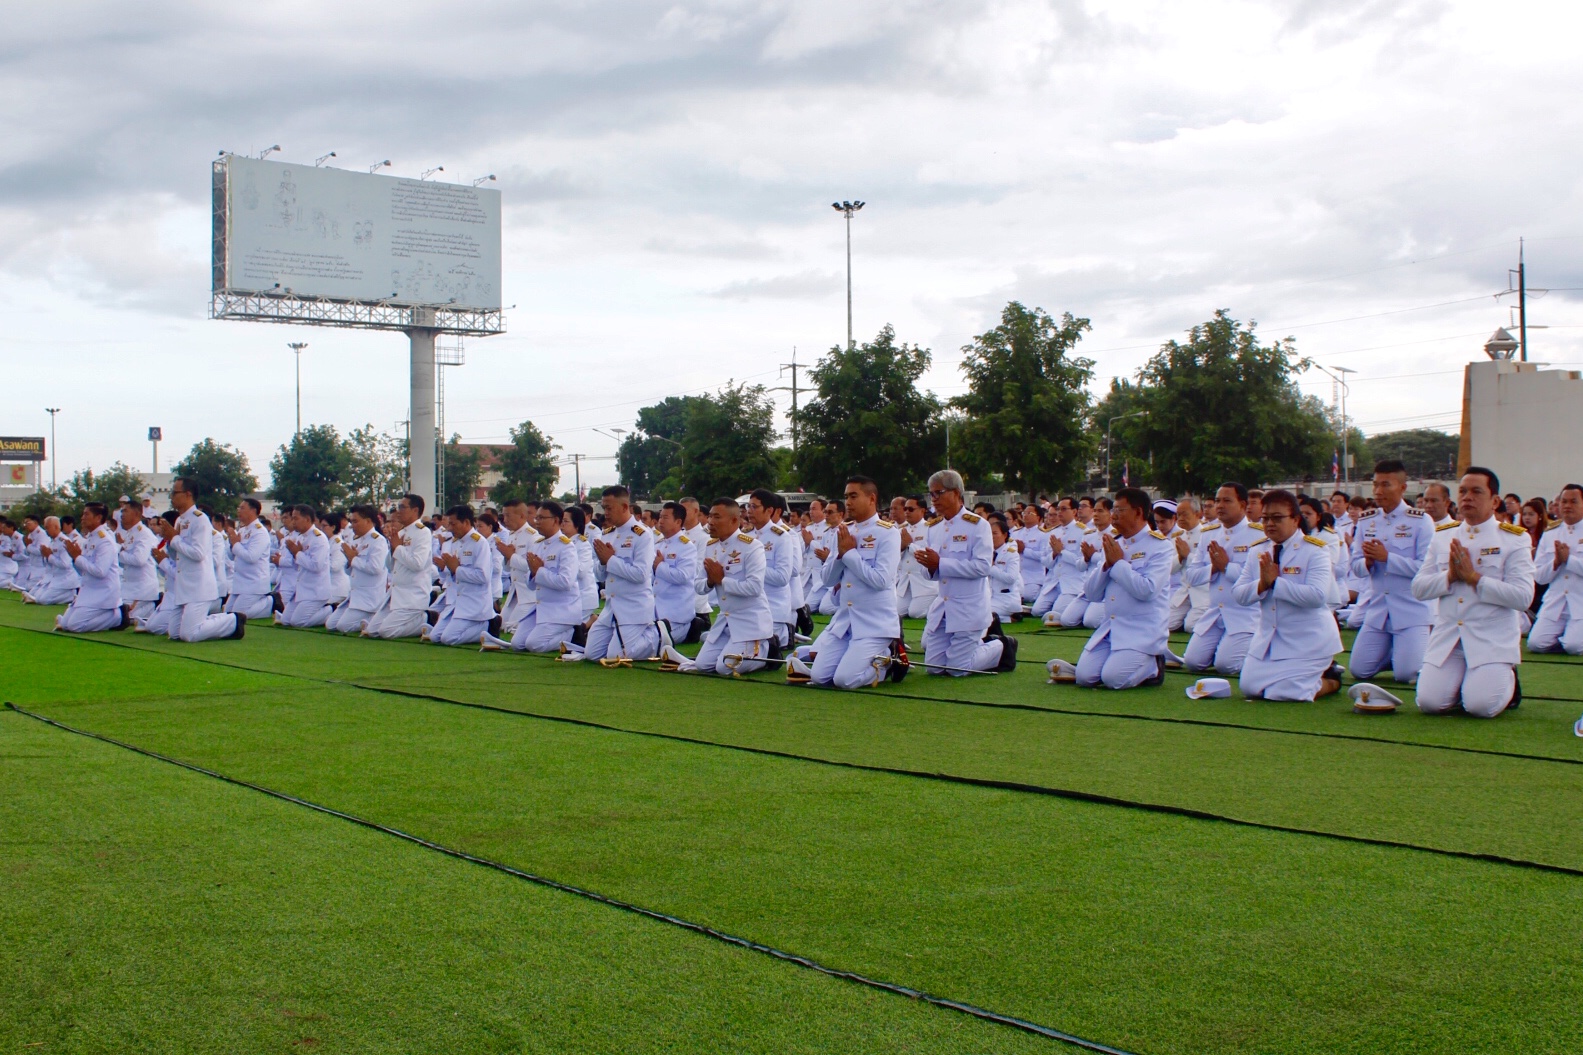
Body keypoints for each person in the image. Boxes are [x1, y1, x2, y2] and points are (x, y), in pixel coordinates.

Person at [1410, 468, 1534, 718]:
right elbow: (1419, 588)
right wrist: (1450, 577)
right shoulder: (1443, 536)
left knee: (1481, 707)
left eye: (1476, 492)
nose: (1467, 497)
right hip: (1450, 638)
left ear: (1494, 501)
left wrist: (1474, 578)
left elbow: (1522, 597)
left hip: (1490, 638)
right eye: (1463, 491)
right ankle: (1465, 684)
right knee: (1429, 703)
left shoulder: (1513, 539)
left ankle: (1508, 681)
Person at [791, 476, 903, 688]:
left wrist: (850, 554)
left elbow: (880, 580)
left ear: (871, 499)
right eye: (846, 497)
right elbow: (827, 579)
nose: (848, 502)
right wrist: (840, 556)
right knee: (819, 677)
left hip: (874, 623)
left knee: (844, 680)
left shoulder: (888, 533)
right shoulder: (844, 531)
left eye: (853, 496)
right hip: (845, 621)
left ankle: (887, 661)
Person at [1233, 490, 1343, 701]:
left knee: (1285, 693)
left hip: (1307, 640)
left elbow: (1317, 596)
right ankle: (1307, 678)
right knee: (1250, 688)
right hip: (1270, 638)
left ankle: (1331, 680)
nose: (1269, 524)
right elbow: (1239, 594)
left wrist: (1275, 583)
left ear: (1295, 519)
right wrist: (1262, 585)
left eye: (1277, 518)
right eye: (1265, 518)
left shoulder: (1315, 550)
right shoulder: (1258, 550)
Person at [1072, 487, 1173, 689]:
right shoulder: (1113, 543)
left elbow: (1147, 590)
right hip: (1111, 627)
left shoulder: (1160, 546)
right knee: (1084, 677)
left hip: (1141, 631)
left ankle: (1153, 665)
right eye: (1114, 510)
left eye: (1120, 510)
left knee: (1113, 679)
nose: (1114, 515)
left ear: (1138, 512)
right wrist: (1106, 566)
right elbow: (1092, 594)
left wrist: (1118, 564)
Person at [916, 469, 1014, 675]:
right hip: (943, 608)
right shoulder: (933, 527)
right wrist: (930, 567)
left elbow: (982, 567)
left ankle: (1002, 645)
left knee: (956, 669)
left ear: (956, 493)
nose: (933, 499)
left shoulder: (977, 525)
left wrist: (940, 563)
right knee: (934, 669)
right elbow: (930, 572)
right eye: (931, 494)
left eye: (938, 493)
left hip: (968, 608)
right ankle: (980, 644)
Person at [1348, 460, 1435, 684]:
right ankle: (1396, 655)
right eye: (1375, 485)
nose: (1378, 491)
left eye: (1385, 485)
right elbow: (1355, 565)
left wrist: (1388, 558)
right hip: (1378, 609)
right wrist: (1368, 562)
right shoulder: (1367, 520)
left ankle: (1408, 655)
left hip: (1410, 610)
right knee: (1359, 670)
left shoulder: (1420, 521)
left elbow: (1425, 568)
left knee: (1407, 674)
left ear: (1402, 488)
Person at [670, 497, 772, 675]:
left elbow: (754, 587)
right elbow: (698, 586)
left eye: (716, 517)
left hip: (749, 622)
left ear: (734, 520)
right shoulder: (711, 546)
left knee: (725, 668)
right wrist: (710, 581)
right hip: (725, 621)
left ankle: (766, 651)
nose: (710, 522)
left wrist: (722, 580)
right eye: (710, 516)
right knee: (702, 665)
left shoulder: (751, 546)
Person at [565, 485, 660, 663]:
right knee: (592, 654)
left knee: (616, 656)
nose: (605, 513)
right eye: (604, 508)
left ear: (624, 507)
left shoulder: (642, 535)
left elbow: (640, 574)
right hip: (611, 607)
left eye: (609, 508)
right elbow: (600, 576)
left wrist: (610, 560)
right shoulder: (608, 534)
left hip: (633, 607)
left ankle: (659, 636)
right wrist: (603, 563)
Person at [1180, 483, 1264, 675]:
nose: (1220, 506)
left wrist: (1226, 567)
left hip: (1244, 614)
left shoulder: (1257, 535)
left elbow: (1258, 579)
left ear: (1242, 505)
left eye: (1227, 501)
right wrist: (1214, 568)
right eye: (1217, 501)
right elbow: (1192, 576)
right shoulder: (1209, 533)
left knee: (1226, 666)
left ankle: (1259, 650)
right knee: (1193, 662)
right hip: (1215, 612)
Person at [149, 478, 244, 641]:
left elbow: (199, 553)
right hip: (184, 586)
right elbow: (179, 553)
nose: (171, 496)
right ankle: (215, 620)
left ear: (188, 494)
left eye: (175, 493)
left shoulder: (200, 519)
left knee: (189, 635)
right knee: (175, 634)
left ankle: (232, 621)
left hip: (198, 586)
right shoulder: (180, 520)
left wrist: (174, 539)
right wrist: (170, 541)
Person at [483, 501, 585, 653]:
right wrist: (533, 573)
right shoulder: (538, 544)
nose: (537, 522)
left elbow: (566, 582)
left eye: (542, 518)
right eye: (536, 518)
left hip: (560, 609)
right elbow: (530, 584)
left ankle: (573, 634)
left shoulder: (566, 546)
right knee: (517, 644)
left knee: (535, 645)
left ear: (556, 520)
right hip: (540, 607)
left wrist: (539, 571)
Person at [364, 494, 436, 639]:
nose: (398, 511)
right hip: (396, 593)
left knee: (386, 632)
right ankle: (419, 620)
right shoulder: (401, 532)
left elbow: (418, 564)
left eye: (403, 507)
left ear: (415, 510)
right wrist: (393, 550)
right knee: (372, 631)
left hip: (412, 595)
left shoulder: (422, 532)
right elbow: (390, 566)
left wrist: (398, 548)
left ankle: (426, 619)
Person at [424, 506, 496, 645]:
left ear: (466, 522)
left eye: (453, 524)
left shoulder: (480, 543)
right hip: (457, 602)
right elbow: (452, 574)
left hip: (474, 604)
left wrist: (456, 569)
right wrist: (448, 569)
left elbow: (483, 576)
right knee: (435, 637)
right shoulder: (455, 543)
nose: (450, 528)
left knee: (448, 638)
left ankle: (488, 626)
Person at [1529, 483, 1583, 654]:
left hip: (1580, 602)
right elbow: (1538, 576)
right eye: (1564, 501)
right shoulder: (1550, 533)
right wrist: (1556, 563)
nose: (1567, 506)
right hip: (1556, 602)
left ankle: (1569, 639)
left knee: (1574, 647)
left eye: (1573, 502)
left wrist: (1569, 560)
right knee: (1536, 644)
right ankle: (1565, 637)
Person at [55, 503, 125, 633]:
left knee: (75, 626)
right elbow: (84, 570)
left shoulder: (105, 540)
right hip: (88, 590)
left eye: (86, 514)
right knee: (65, 624)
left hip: (102, 592)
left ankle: (117, 617)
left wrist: (77, 557)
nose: (82, 518)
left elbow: (100, 571)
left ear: (98, 518)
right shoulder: (90, 538)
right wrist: (74, 558)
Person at [747, 489, 798, 649]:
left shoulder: (781, 537)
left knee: (746, 648)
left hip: (772, 608)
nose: (749, 511)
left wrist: (753, 568)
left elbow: (782, 577)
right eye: (748, 506)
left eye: (754, 507)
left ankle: (783, 635)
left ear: (769, 510)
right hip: (748, 607)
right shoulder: (745, 536)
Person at [327, 504, 389, 633]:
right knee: (331, 625)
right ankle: (370, 621)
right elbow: (350, 571)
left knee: (343, 627)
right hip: (355, 595)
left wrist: (354, 559)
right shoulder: (356, 540)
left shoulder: (378, 541)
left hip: (369, 598)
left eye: (355, 521)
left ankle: (373, 621)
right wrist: (350, 561)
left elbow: (376, 568)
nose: (352, 525)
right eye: (351, 521)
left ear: (368, 521)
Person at [651, 501, 703, 641]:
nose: (661, 521)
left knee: (652, 642)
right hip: (654, 611)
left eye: (665, 518)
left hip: (675, 616)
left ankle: (691, 631)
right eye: (660, 517)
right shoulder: (658, 544)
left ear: (678, 521)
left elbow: (683, 576)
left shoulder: (686, 546)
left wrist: (660, 566)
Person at [277, 506, 333, 628]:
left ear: (307, 519)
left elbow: (316, 566)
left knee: (298, 622)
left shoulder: (319, 538)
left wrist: (297, 553)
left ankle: (330, 611)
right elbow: (296, 565)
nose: (293, 522)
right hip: (302, 589)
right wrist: (294, 555)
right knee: (286, 620)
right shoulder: (300, 537)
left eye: (296, 518)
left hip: (315, 590)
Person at [223, 499, 274, 620]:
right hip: (240, 583)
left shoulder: (260, 532)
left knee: (236, 616)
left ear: (253, 511)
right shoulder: (242, 530)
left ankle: (269, 603)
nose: (238, 511)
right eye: (238, 508)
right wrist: (232, 543)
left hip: (254, 583)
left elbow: (252, 557)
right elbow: (232, 556)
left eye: (242, 508)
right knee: (227, 613)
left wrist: (236, 544)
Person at [494, 499, 540, 632]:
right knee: (501, 625)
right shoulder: (512, 535)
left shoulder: (533, 536)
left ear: (522, 516)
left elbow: (531, 567)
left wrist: (510, 555)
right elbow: (508, 568)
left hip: (528, 594)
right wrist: (506, 556)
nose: (505, 520)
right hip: (515, 591)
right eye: (504, 515)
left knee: (511, 627)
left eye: (508, 516)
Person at [895, 494, 938, 619]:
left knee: (916, 613)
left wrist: (910, 545)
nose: (907, 512)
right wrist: (901, 548)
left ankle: (939, 602)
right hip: (906, 581)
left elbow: (929, 554)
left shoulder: (930, 529)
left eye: (911, 509)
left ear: (922, 510)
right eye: (905, 509)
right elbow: (894, 556)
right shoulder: (900, 530)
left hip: (923, 582)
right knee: (897, 612)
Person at [23, 517, 80, 605]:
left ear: (56, 527)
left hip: (64, 578)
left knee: (43, 600)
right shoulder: (52, 541)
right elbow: (48, 563)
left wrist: (49, 556)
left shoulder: (64, 541)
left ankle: (71, 595)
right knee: (33, 595)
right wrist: (46, 556)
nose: (46, 530)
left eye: (47, 527)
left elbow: (65, 564)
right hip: (52, 577)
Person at [988, 512, 1024, 619]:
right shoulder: (987, 552)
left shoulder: (1011, 553)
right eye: (990, 533)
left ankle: (1009, 617)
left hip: (1006, 599)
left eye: (995, 533)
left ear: (1004, 535)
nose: (992, 537)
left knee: (981, 614)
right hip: (991, 597)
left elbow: (1011, 578)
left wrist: (991, 568)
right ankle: (1008, 619)